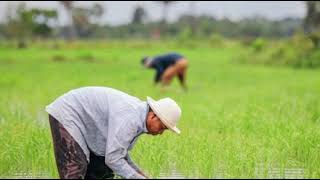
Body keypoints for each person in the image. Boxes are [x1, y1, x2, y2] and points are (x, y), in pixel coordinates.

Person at [45, 86, 182, 179]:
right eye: (162, 127)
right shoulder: (131, 119)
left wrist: (142, 175)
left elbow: (120, 155)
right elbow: (113, 159)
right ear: (153, 116)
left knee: (102, 173)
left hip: (83, 123)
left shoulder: (139, 118)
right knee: (75, 169)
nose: (161, 133)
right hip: (69, 114)